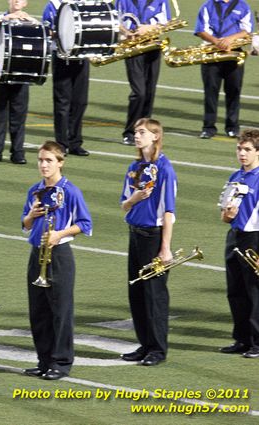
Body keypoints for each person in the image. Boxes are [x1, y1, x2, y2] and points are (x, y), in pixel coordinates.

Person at [21, 141, 92, 380]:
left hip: (59, 255)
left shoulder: (71, 191)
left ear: (60, 162)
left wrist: (59, 234)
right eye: (41, 160)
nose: (43, 165)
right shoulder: (34, 190)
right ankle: (44, 361)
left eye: (49, 160)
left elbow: (85, 224)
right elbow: (25, 225)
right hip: (36, 253)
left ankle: (61, 363)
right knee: (38, 311)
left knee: (60, 311)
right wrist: (30, 216)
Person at [119, 118, 177, 366]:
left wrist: (165, 248)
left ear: (155, 136)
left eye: (142, 132)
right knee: (137, 293)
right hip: (135, 233)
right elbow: (123, 205)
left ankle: (158, 349)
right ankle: (144, 344)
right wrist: (135, 198)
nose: (137, 136)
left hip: (153, 237)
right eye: (135, 132)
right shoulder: (134, 166)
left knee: (154, 295)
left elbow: (168, 212)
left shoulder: (165, 168)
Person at [219, 128, 259, 358]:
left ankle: (257, 341)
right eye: (239, 149)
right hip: (234, 236)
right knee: (235, 291)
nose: (242, 153)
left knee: (255, 292)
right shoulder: (235, 176)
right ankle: (242, 339)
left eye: (247, 149)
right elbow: (224, 216)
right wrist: (229, 214)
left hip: (254, 237)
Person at [0, 0, 37, 165]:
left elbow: (45, 33)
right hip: (0, 72)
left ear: (25, 3)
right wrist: (7, 18)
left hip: (21, 72)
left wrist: (32, 21)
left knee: (18, 115)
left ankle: (18, 153)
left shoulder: (30, 21)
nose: (16, 1)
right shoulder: (0, 18)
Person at [194, 0, 254, 139]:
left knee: (234, 91)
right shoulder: (207, 5)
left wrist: (229, 39)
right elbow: (200, 29)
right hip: (211, 52)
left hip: (234, 52)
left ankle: (232, 127)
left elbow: (247, 31)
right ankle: (208, 127)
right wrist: (217, 42)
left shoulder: (243, 6)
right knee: (210, 92)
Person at [115, 0, 170, 146]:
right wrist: (127, 33)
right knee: (139, 92)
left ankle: (145, 131)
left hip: (153, 46)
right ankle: (129, 132)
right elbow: (115, 19)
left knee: (150, 92)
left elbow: (166, 23)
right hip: (133, 47)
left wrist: (149, 28)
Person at [42, 0, 90, 157]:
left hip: (82, 57)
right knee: (62, 104)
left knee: (80, 102)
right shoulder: (53, 5)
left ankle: (75, 142)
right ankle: (61, 143)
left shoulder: (83, 4)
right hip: (62, 57)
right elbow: (46, 30)